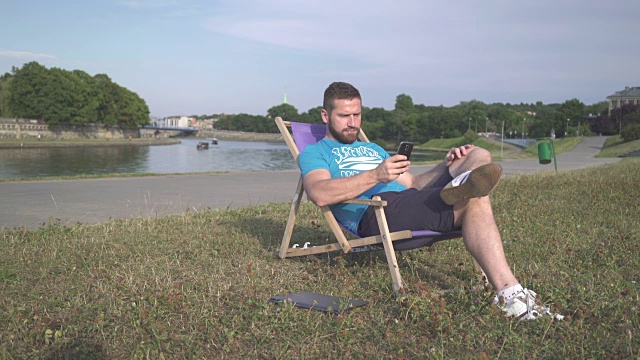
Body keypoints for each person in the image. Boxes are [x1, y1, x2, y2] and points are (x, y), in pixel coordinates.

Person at [298, 81, 562, 320]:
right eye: (344, 116)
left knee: (475, 152)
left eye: (357, 115)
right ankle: (510, 295)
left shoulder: (373, 148)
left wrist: (444, 166)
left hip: (408, 200)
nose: (353, 122)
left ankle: (463, 180)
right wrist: (376, 174)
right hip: (377, 211)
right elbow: (319, 193)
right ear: (325, 115)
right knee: (474, 198)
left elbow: (412, 183)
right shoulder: (315, 152)